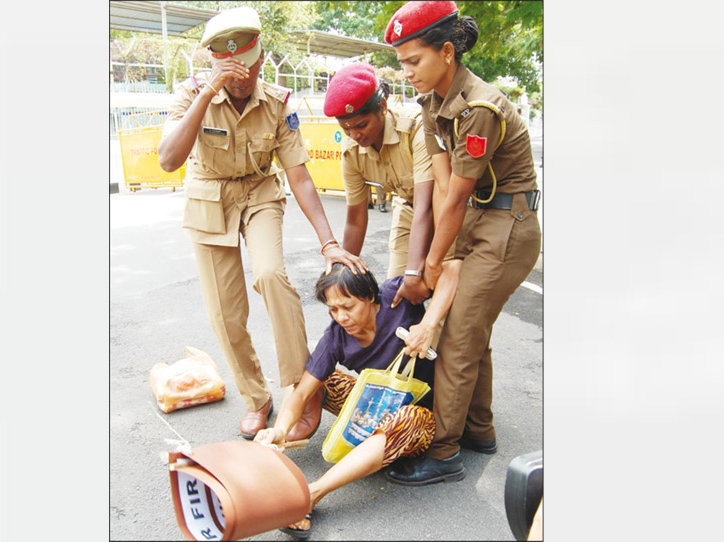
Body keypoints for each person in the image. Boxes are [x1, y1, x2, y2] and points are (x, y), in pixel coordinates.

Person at [158, 6, 367, 440]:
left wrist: (328, 243)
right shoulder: (189, 93)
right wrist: (205, 94)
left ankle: (300, 389)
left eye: (247, 69)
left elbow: (300, 176)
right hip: (209, 196)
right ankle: (257, 398)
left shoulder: (277, 103)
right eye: (229, 71)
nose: (240, 79)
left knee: (272, 275)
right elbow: (168, 159)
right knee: (225, 313)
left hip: (258, 192)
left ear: (260, 58)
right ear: (214, 63)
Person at [381, 1, 542, 485]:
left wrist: (432, 263)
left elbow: (457, 198)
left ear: (446, 52)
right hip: (475, 216)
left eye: (414, 60)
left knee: (456, 334)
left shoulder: (480, 108)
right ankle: (478, 429)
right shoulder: (432, 104)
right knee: (472, 327)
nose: (405, 72)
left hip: (508, 225)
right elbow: (444, 184)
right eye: (401, 62)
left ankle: (444, 449)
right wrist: (436, 256)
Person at [254, 260, 462, 538]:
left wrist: (427, 325)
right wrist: (280, 429)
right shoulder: (337, 336)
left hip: (422, 418)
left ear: (371, 297)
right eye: (333, 310)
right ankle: (367, 447)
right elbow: (303, 391)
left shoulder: (398, 296)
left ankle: (314, 492)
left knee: (405, 419)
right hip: (378, 406)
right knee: (320, 377)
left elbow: (452, 268)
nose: (341, 317)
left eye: (348, 307)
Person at [323, 62, 440, 307]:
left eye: (361, 125)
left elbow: (426, 207)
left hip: (442, 209)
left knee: (444, 309)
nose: (355, 135)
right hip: (408, 210)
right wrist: (344, 278)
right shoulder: (352, 151)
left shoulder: (415, 128)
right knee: (395, 299)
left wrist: (414, 273)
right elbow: (356, 218)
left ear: (383, 107)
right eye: (346, 128)